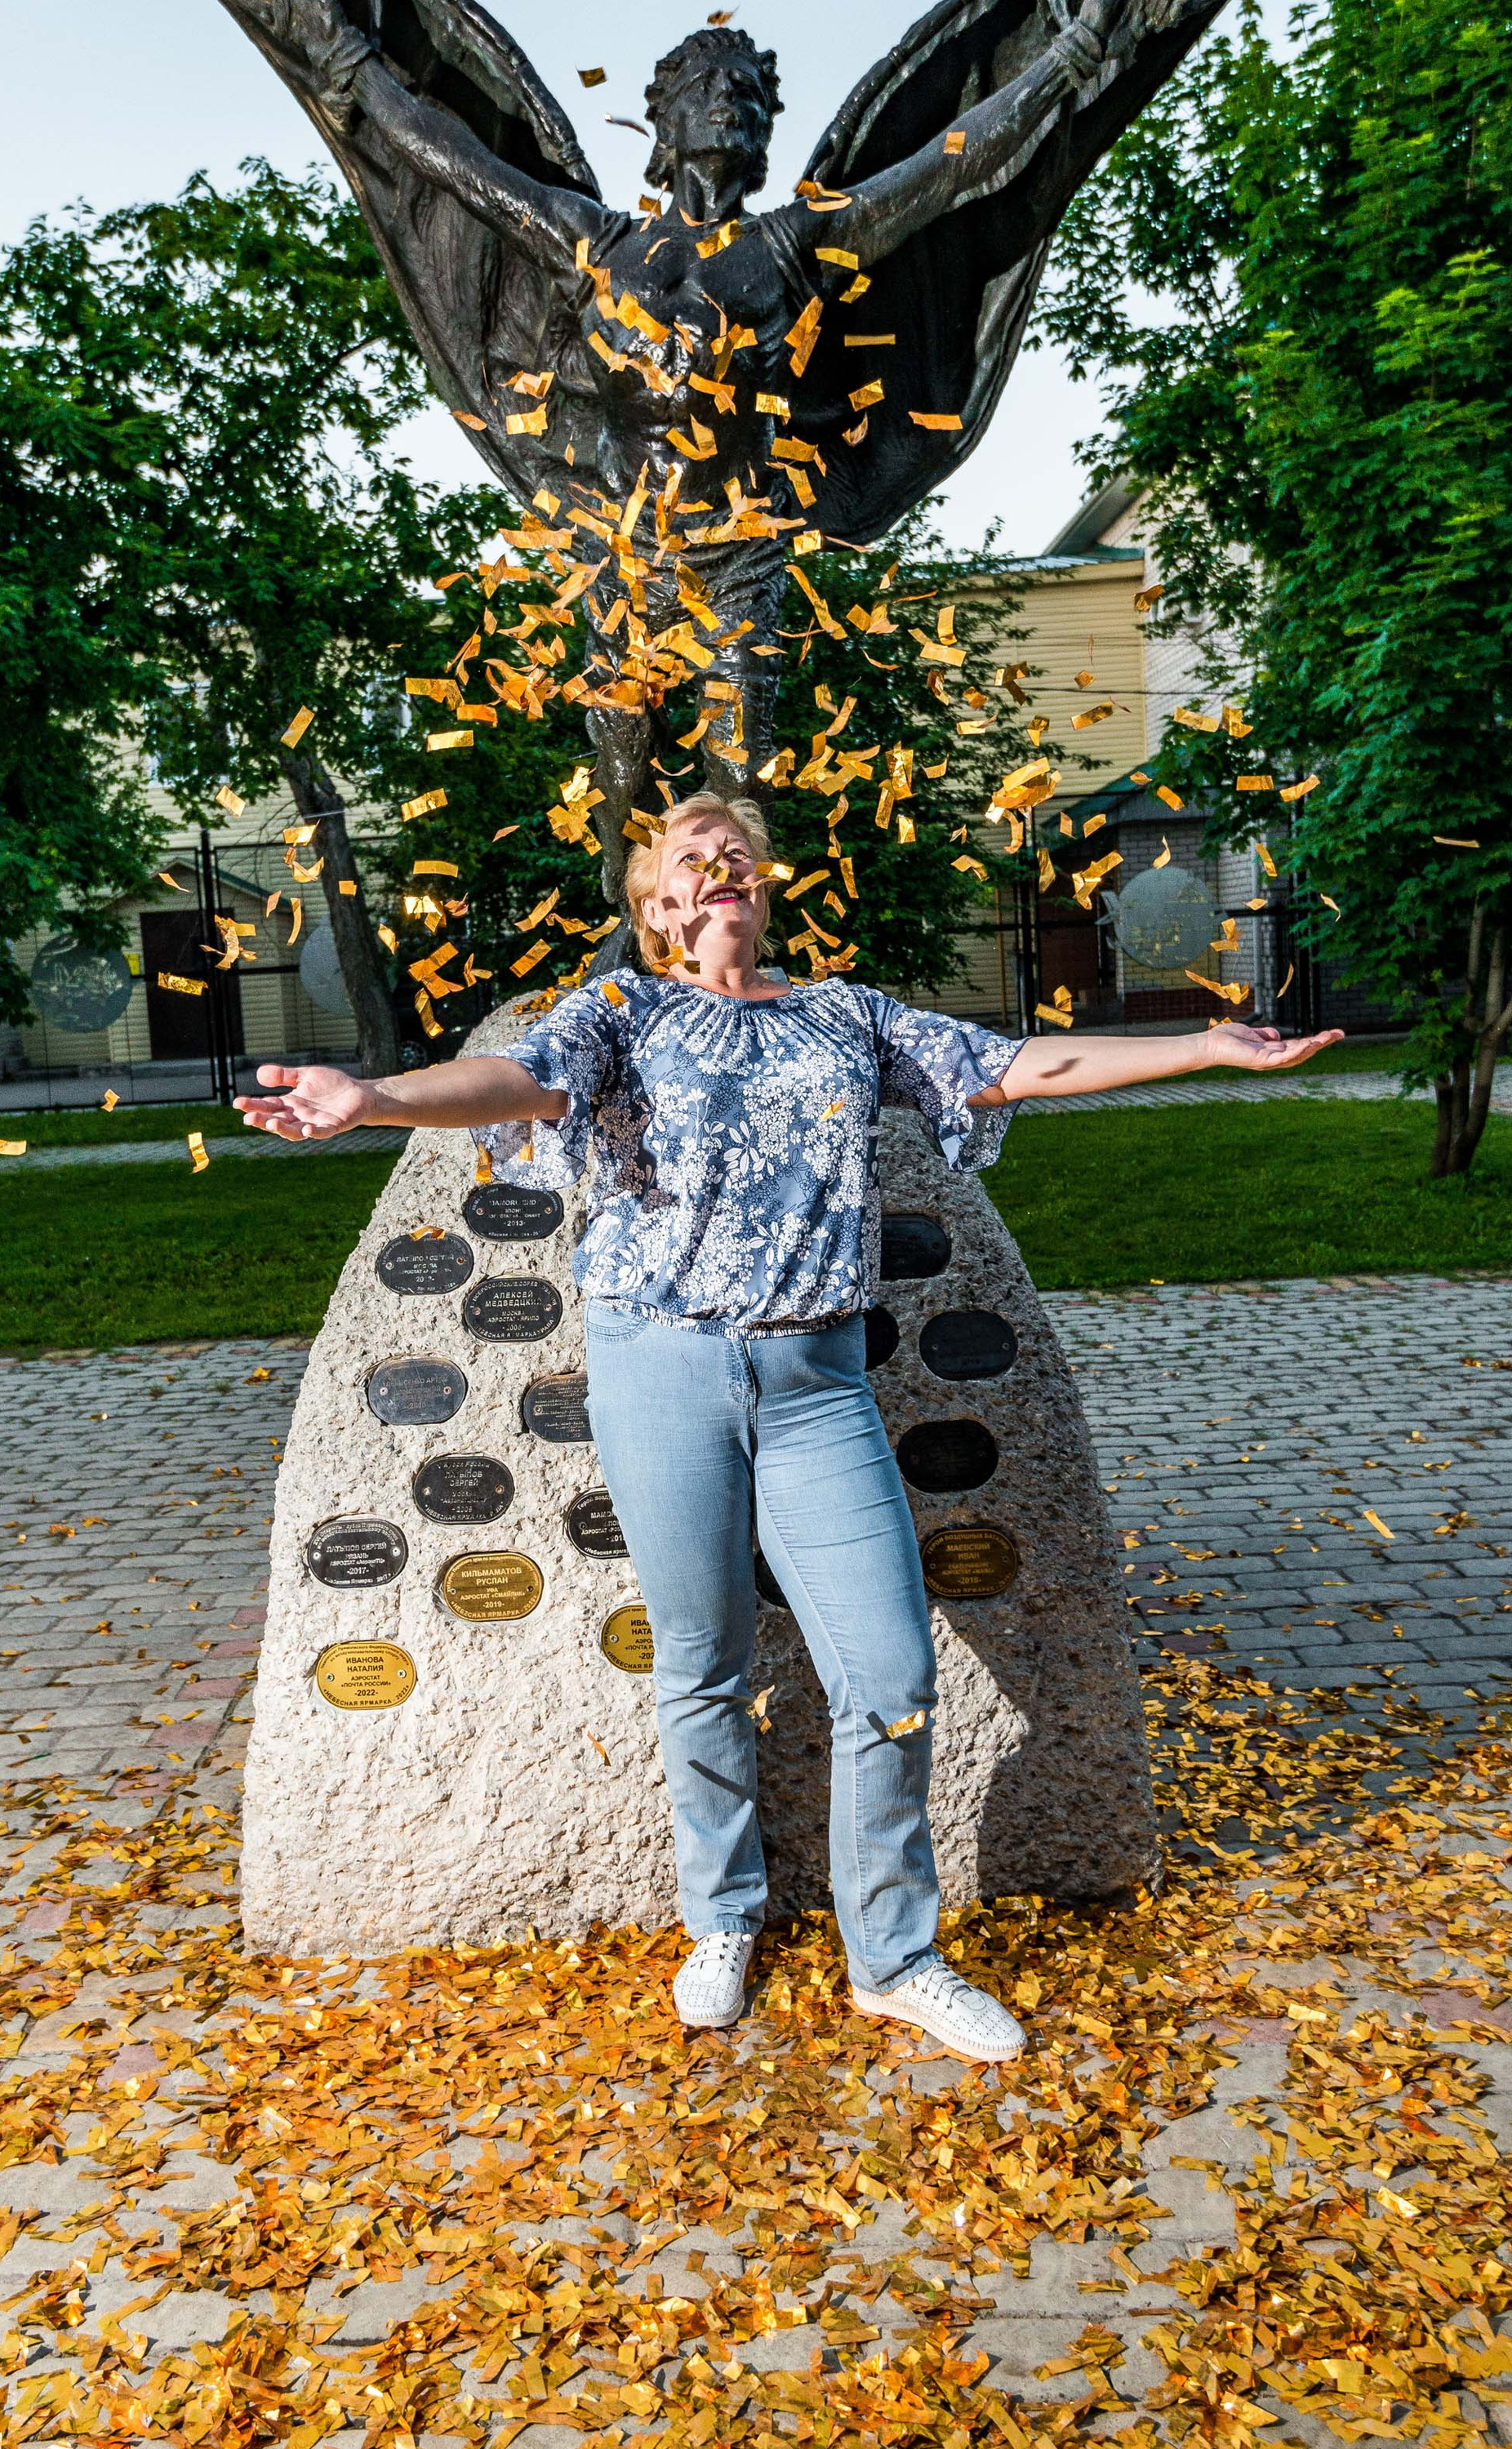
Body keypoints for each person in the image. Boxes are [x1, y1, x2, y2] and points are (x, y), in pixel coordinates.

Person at [238, 794, 1341, 2062]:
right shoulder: (621, 1011)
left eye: (737, 855)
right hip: (662, 1373)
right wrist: (373, 1097)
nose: (721, 867)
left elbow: (1013, 1066)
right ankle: (722, 1915)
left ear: (760, 889)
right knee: (701, 1664)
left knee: (893, 1675)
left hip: (819, 1384)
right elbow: (517, 1081)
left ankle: (896, 1956)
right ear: (658, 904)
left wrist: (1203, 1046)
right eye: (691, 857)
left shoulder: (848, 1015)